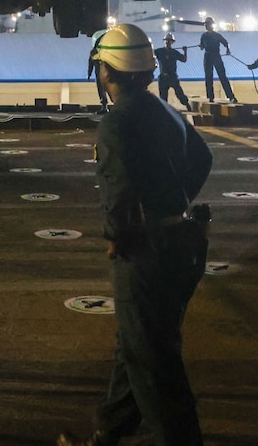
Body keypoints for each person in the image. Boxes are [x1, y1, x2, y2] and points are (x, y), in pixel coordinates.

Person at [57, 24, 212, 446]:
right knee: (138, 343)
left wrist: (117, 236)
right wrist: (172, 205)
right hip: (182, 242)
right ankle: (109, 432)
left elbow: (118, 189)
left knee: (154, 364)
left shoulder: (115, 122)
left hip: (146, 252)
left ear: (107, 71)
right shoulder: (166, 110)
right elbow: (203, 157)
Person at [199, 16, 238, 103]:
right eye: (205, 24)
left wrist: (228, 49)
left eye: (207, 24)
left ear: (211, 25)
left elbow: (226, 43)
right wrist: (201, 46)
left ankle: (230, 96)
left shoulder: (216, 35)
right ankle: (210, 97)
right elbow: (202, 46)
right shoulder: (204, 36)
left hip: (216, 56)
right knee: (208, 77)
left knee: (222, 77)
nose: (206, 26)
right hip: (208, 56)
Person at [154, 34, 191, 110]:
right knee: (163, 97)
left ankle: (187, 104)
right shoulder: (159, 51)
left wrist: (185, 52)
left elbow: (184, 59)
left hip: (172, 77)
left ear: (172, 42)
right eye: (167, 40)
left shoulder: (174, 52)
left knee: (179, 93)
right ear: (165, 41)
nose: (167, 42)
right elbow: (150, 54)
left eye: (169, 41)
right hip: (163, 77)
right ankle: (165, 111)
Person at [87, 46, 109, 110]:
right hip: (99, 75)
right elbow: (90, 64)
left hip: (108, 73)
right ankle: (104, 106)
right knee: (101, 90)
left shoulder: (105, 51)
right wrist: (89, 74)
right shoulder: (93, 52)